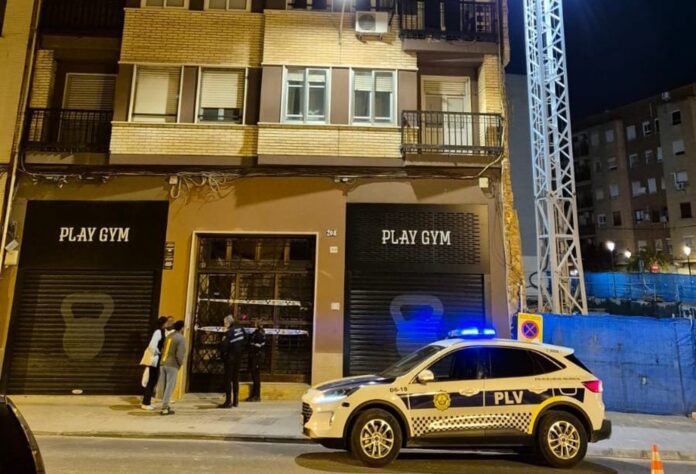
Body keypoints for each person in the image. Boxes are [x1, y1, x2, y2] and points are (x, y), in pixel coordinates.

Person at [141, 316, 172, 410]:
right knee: (152, 380)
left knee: (153, 380)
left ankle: (147, 401)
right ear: (163, 323)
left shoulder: (162, 331)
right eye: (166, 322)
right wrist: (158, 352)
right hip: (154, 359)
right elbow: (152, 345)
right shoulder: (158, 332)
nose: (167, 324)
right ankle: (145, 403)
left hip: (156, 359)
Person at [160, 320, 186, 416]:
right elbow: (179, 354)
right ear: (182, 328)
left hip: (163, 363)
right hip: (172, 364)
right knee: (170, 386)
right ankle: (165, 408)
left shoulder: (169, 336)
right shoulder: (181, 338)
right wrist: (180, 363)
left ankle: (165, 405)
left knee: (164, 386)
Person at [218, 315, 245, 408]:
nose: (224, 325)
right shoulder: (241, 329)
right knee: (236, 379)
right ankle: (236, 401)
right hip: (238, 358)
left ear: (229, 323)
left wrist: (223, 356)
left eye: (225, 323)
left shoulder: (228, 332)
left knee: (228, 380)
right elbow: (245, 340)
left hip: (230, 359)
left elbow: (223, 346)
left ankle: (228, 401)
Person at [246, 323, 266, 402]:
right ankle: (255, 395)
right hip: (256, 357)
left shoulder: (259, 334)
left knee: (256, 377)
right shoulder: (260, 333)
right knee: (255, 377)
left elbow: (258, 346)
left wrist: (252, 344)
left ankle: (256, 396)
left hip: (257, 357)